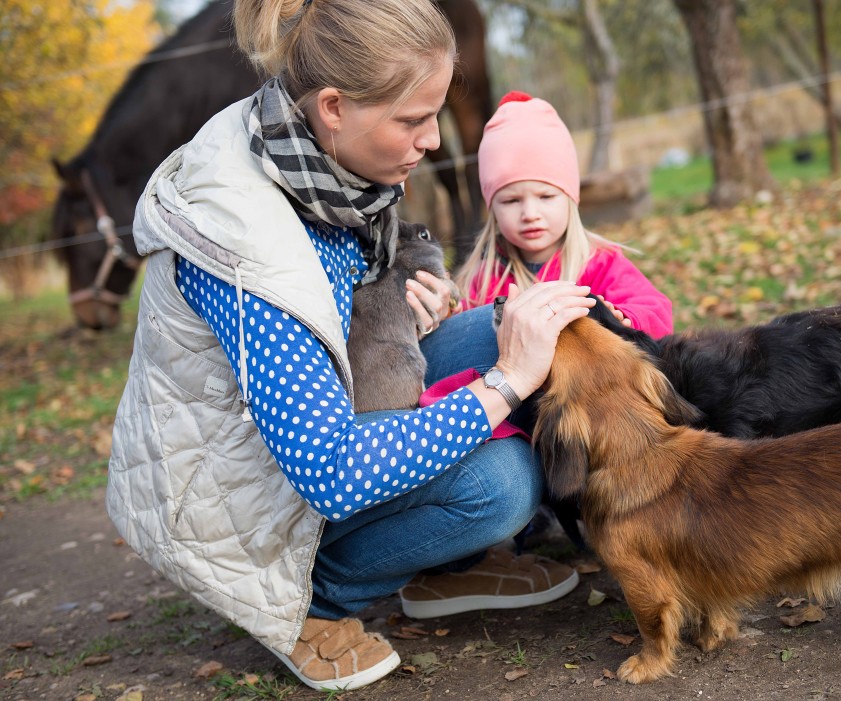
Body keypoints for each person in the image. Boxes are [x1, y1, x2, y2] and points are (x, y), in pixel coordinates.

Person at [105, 0, 595, 691]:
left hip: (307, 431)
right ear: (334, 106)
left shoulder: (319, 161)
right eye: (413, 120)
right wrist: (505, 385)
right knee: (505, 480)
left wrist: (415, 316)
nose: (432, 139)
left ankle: (441, 564)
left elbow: (340, 322)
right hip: (249, 507)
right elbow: (331, 468)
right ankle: (308, 603)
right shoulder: (246, 251)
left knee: (497, 327)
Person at [455, 91, 674, 338]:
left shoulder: (599, 263)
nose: (529, 213)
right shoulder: (485, 281)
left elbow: (657, 312)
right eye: (511, 200)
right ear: (492, 209)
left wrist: (625, 319)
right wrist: (445, 312)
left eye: (546, 197)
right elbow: (460, 339)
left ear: (570, 199)